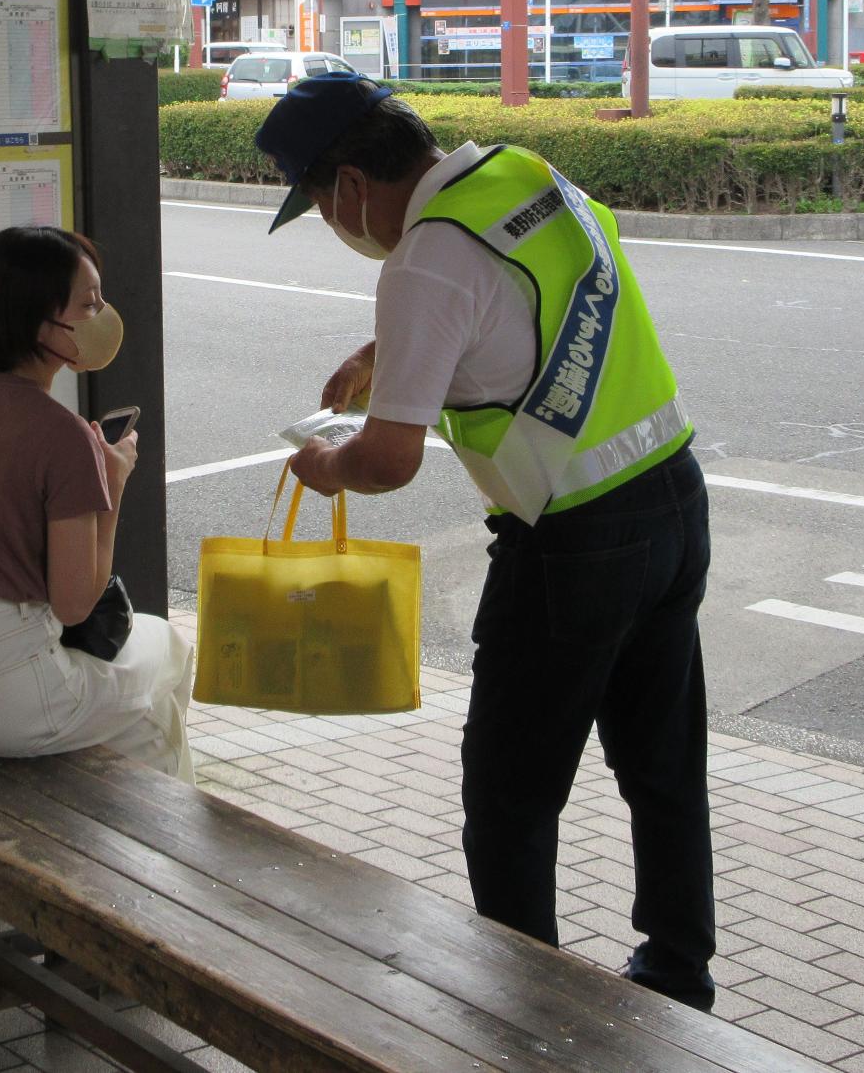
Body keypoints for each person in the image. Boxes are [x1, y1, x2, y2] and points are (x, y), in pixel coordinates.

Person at [254, 74, 717, 1012]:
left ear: (350, 183)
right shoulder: (521, 174)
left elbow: (388, 459)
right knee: (662, 764)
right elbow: (527, 301)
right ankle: (678, 972)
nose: (335, 226)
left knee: (508, 794)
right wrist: (390, 355)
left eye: (321, 205)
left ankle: (523, 1008)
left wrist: (326, 466)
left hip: (573, 545)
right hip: (672, 498)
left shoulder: (423, 260)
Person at [0, 226, 194, 781]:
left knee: (130, 709)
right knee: (167, 654)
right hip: (8, 690)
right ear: (35, 321)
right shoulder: (65, 436)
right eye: (87, 304)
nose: (102, 314)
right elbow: (75, 603)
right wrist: (113, 483)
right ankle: (160, 855)